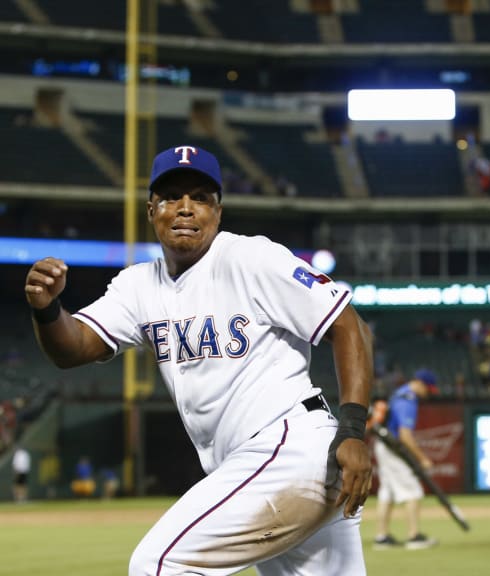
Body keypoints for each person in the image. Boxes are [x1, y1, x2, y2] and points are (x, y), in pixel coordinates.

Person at [24, 145, 374, 576]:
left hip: (291, 448)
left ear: (218, 212)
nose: (186, 208)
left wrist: (354, 429)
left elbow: (347, 324)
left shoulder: (251, 258)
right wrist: (46, 309)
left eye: (200, 198)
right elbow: (72, 348)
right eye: (172, 197)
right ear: (152, 210)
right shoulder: (138, 286)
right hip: (262, 465)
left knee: (160, 564)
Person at [373, 369, 440, 550]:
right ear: (420, 383)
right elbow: (405, 435)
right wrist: (422, 458)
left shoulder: (399, 393)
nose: (428, 394)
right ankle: (414, 537)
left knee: (387, 492)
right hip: (392, 447)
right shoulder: (408, 399)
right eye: (428, 389)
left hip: (384, 444)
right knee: (413, 490)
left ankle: (382, 537)